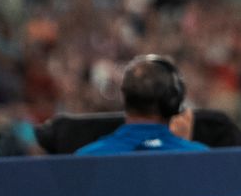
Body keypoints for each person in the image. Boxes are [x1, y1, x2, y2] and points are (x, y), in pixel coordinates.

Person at [74, 55, 208, 155]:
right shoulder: (200, 157)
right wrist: (183, 148)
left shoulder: (86, 157)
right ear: (172, 102)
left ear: (125, 97)